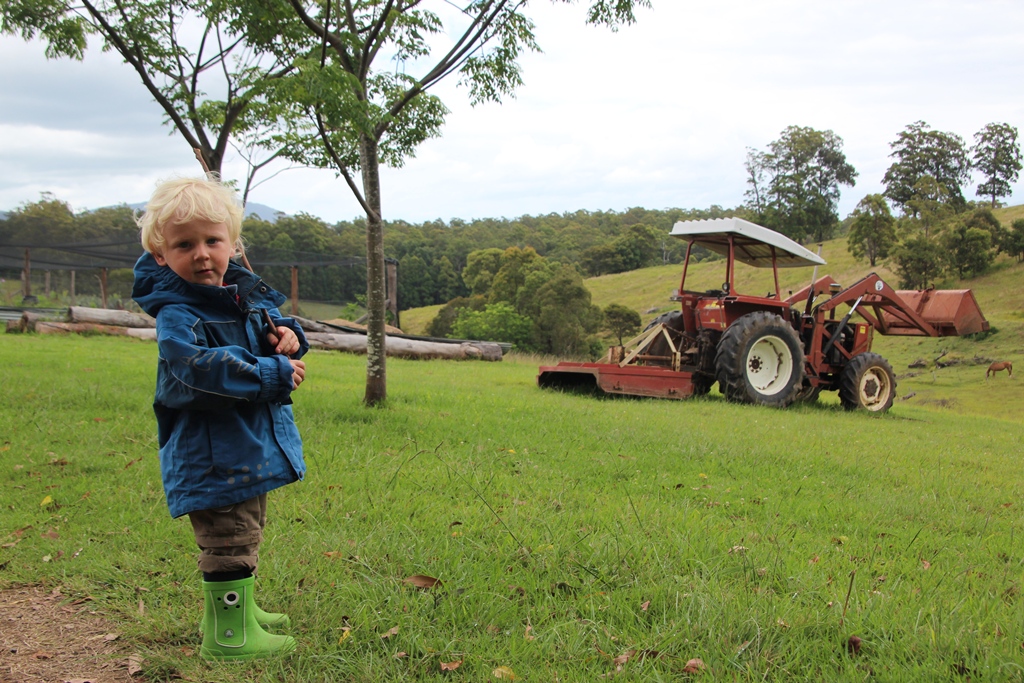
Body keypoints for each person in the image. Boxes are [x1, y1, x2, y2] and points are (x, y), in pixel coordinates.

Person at [131, 176, 308, 661]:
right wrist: (269, 374)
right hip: (213, 452)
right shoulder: (178, 313)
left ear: (233, 243)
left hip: (242, 445)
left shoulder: (236, 295)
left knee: (245, 529)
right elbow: (195, 370)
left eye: (213, 240)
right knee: (228, 538)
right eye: (184, 245)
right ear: (161, 255)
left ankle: (236, 612)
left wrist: (286, 337)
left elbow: (262, 333)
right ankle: (229, 637)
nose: (202, 254)